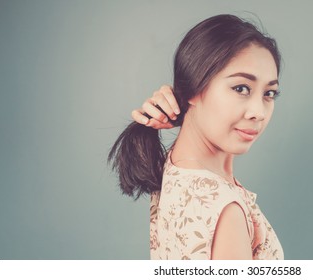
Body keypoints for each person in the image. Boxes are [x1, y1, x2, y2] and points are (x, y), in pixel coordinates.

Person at [109, 14, 284, 260]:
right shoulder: (225, 210)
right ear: (193, 86)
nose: (258, 112)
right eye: (241, 88)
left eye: (269, 93)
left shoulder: (174, 166)